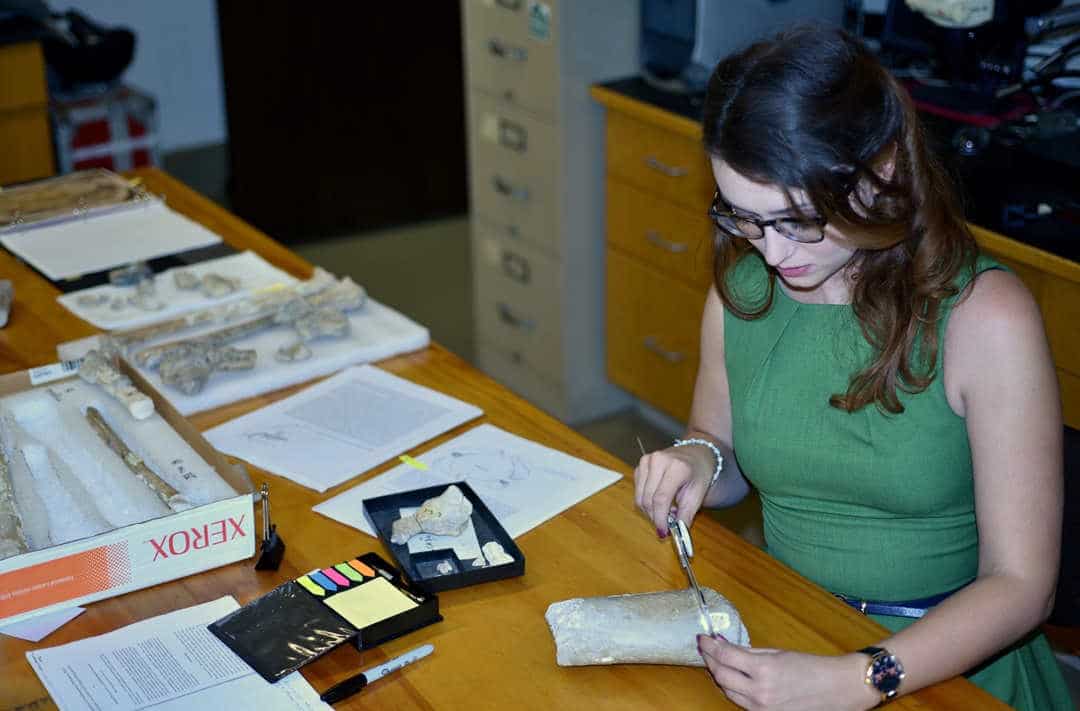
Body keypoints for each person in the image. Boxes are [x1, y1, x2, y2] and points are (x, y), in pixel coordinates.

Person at [632, 24, 1072, 710]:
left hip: (942, 664)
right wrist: (695, 461)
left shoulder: (986, 317)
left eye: (798, 219)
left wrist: (858, 676)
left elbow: (1022, 585)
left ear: (883, 170)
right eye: (746, 219)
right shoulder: (741, 292)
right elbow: (719, 446)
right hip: (790, 636)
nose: (772, 255)